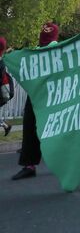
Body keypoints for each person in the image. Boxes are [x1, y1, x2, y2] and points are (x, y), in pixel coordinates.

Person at [11, 23, 59, 180]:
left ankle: (33, 164)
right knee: (32, 126)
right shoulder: (36, 52)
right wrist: (13, 57)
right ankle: (30, 165)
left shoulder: (60, 50)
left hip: (52, 95)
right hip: (39, 95)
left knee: (51, 128)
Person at [0, 36, 13, 136]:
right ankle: (6, 126)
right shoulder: (1, 61)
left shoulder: (1, 63)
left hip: (2, 94)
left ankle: (6, 126)